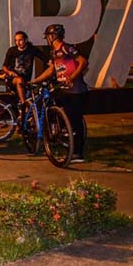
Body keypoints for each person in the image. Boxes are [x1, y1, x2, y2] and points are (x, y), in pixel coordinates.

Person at [30, 23, 89, 163]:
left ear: (53, 36)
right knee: (54, 104)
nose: (47, 40)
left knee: (75, 122)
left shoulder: (66, 48)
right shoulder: (54, 52)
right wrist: (35, 80)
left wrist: (72, 77)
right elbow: (51, 70)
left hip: (76, 90)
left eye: (48, 37)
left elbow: (83, 61)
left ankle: (77, 153)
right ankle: (58, 130)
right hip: (63, 89)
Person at [0, 31, 44, 106]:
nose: (18, 43)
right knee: (19, 80)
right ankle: (24, 105)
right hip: (13, 78)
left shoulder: (32, 50)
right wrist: (9, 72)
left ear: (25, 40)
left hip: (26, 79)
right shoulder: (12, 50)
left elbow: (44, 58)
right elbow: (4, 66)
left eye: (20, 40)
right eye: (16, 40)